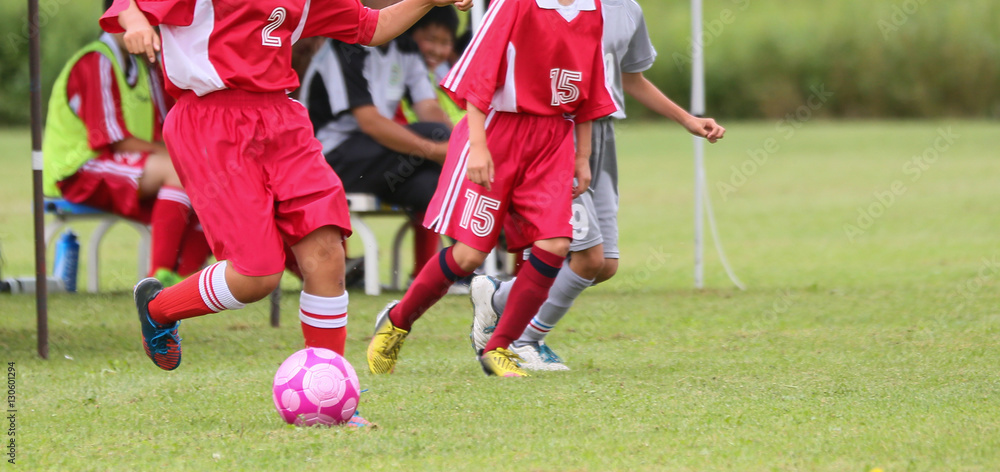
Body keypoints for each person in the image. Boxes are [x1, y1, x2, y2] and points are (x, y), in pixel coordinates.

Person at [100, 0, 471, 427]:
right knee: (255, 277)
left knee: (327, 254)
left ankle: (332, 400)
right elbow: (128, 5)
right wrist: (134, 23)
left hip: (281, 119)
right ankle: (159, 309)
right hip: (211, 121)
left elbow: (374, 25)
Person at [469, 0, 727, 371]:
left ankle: (496, 299)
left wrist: (686, 119)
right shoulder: (552, 5)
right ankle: (524, 339)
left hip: (601, 135)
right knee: (584, 257)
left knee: (605, 264)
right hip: (557, 135)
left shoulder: (629, 10)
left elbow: (629, 77)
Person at [366, 0, 617, 378]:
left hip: (552, 140)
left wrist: (583, 155)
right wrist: (479, 147)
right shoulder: (515, 4)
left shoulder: (592, 8)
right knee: (468, 255)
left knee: (556, 243)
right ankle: (397, 322)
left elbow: (591, 85)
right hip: (498, 132)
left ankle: (498, 347)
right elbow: (479, 73)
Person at [44, 0, 210, 286]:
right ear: (122, 17)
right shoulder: (96, 60)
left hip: (121, 166)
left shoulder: (142, 62)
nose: (154, 25)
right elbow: (114, 141)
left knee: (211, 180)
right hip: (77, 170)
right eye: (148, 17)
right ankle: (155, 283)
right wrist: (181, 157)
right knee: (180, 170)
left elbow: (169, 124)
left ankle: (184, 282)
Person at [300, 26, 452, 278]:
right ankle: (467, 261)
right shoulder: (344, 45)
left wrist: (464, 145)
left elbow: (427, 106)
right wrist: (436, 151)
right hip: (329, 158)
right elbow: (371, 122)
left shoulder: (405, 46)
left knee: (431, 185)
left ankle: (429, 276)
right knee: (435, 137)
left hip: (378, 158)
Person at [400, 5, 465, 125]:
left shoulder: (442, 84)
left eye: (445, 42)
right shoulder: (400, 78)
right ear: (411, 33)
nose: (437, 51)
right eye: (430, 40)